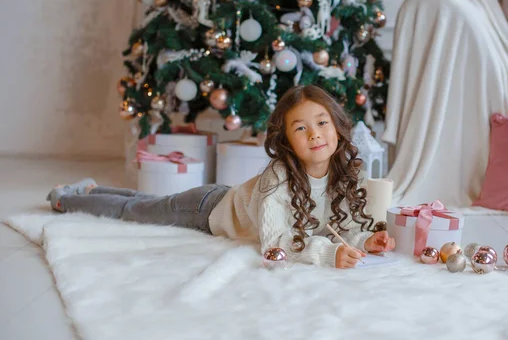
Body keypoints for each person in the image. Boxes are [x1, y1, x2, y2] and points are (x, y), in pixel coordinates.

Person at [46, 85, 396, 268]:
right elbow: (275, 242)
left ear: (336, 123)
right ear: (286, 140)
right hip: (207, 210)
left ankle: (94, 188)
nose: (315, 134)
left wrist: (364, 240)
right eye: (301, 128)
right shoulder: (280, 175)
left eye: (322, 122)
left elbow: (342, 224)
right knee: (137, 211)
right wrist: (326, 254)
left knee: (148, 204)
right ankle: (68, 198)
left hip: (229, 199)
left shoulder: (344, 172)